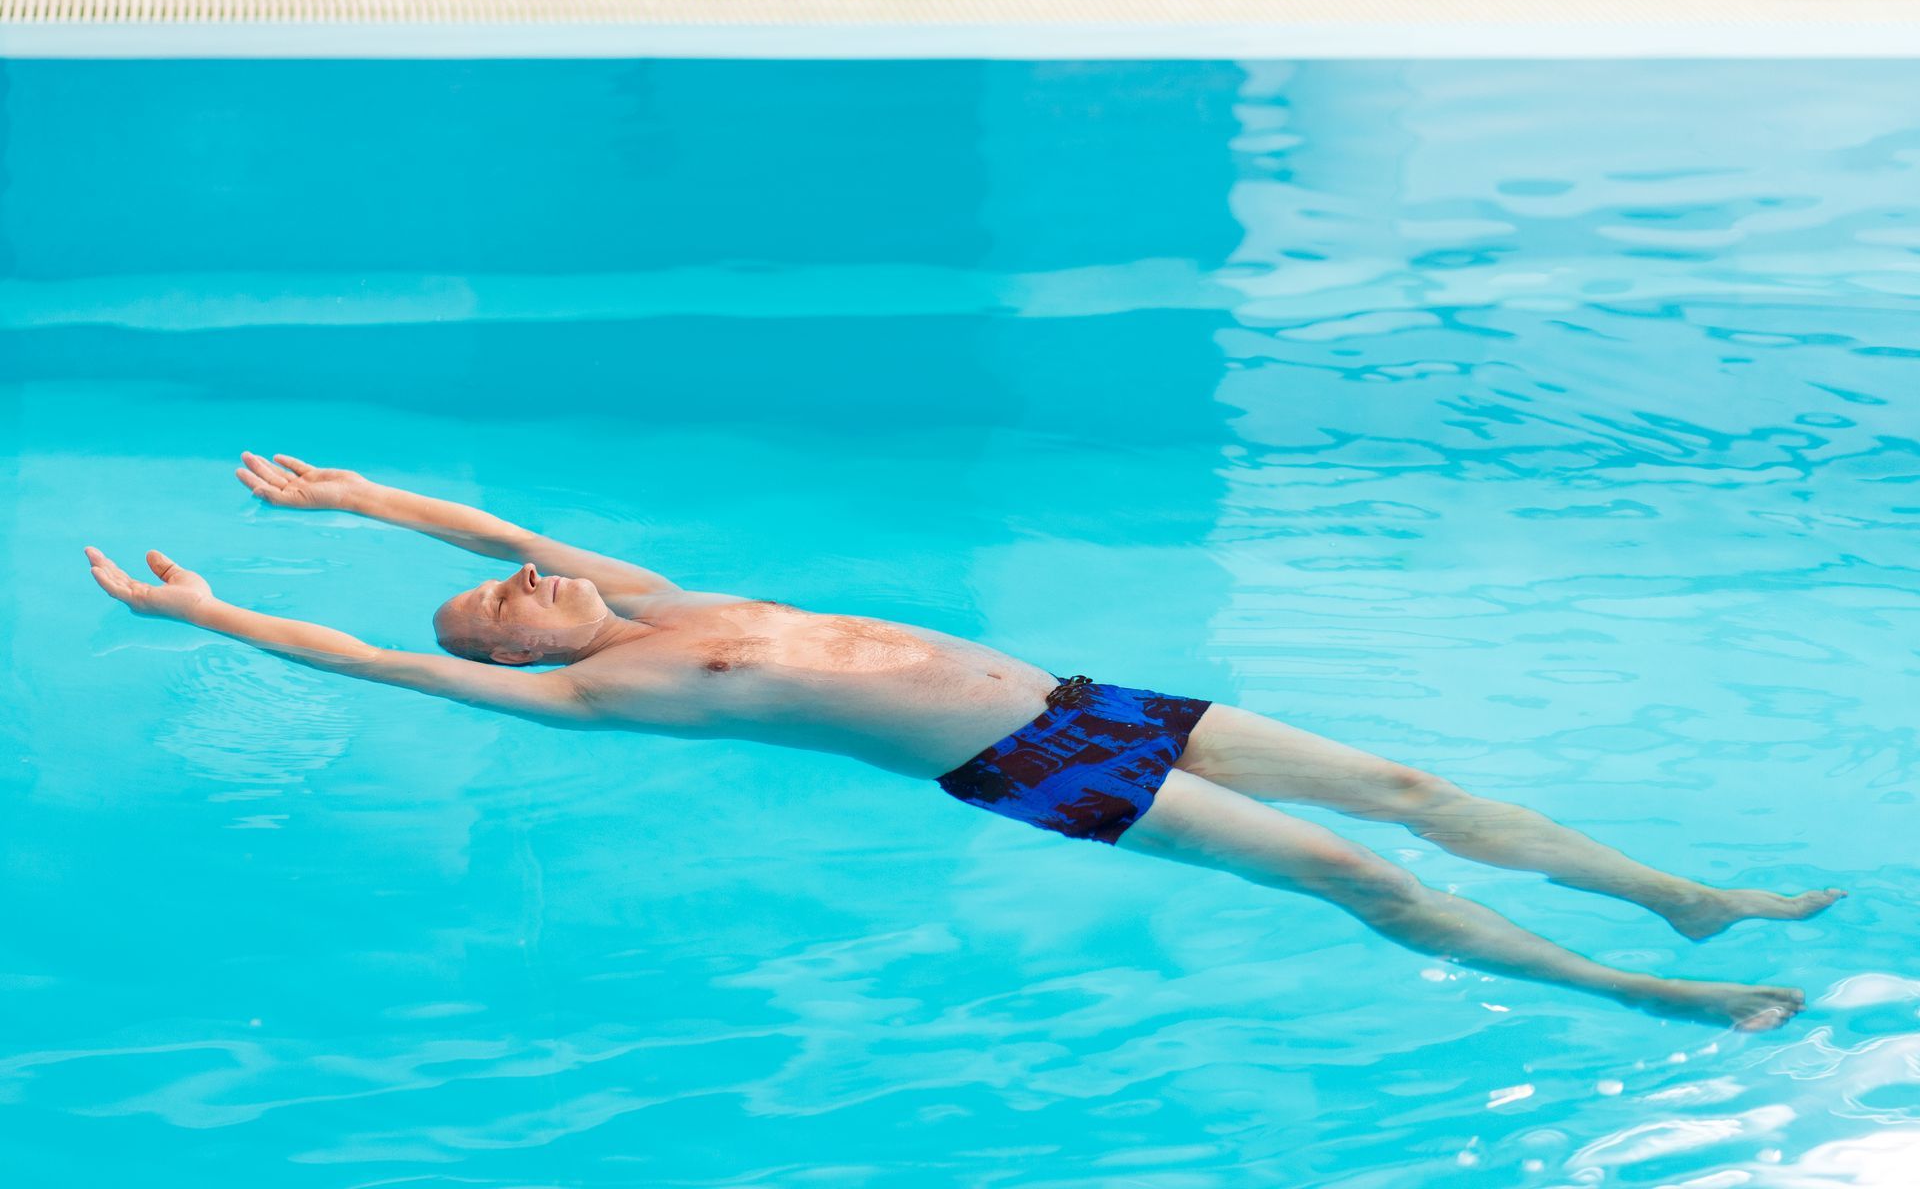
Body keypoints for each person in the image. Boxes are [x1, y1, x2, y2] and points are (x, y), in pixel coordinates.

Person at [84, 451, 1843, 1032]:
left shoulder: (652, 598)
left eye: (521, 581)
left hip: (1091, 699)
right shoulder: (605, 686)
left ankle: (1679, 897)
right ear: (514, 657)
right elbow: (391, 664)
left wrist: (354, 499)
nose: (527, 581)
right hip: (1031, 764)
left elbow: (483, 528)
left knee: (1410, 788)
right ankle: (1656, 996)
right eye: (507, 604)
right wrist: (220, 615)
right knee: (1364, 876)